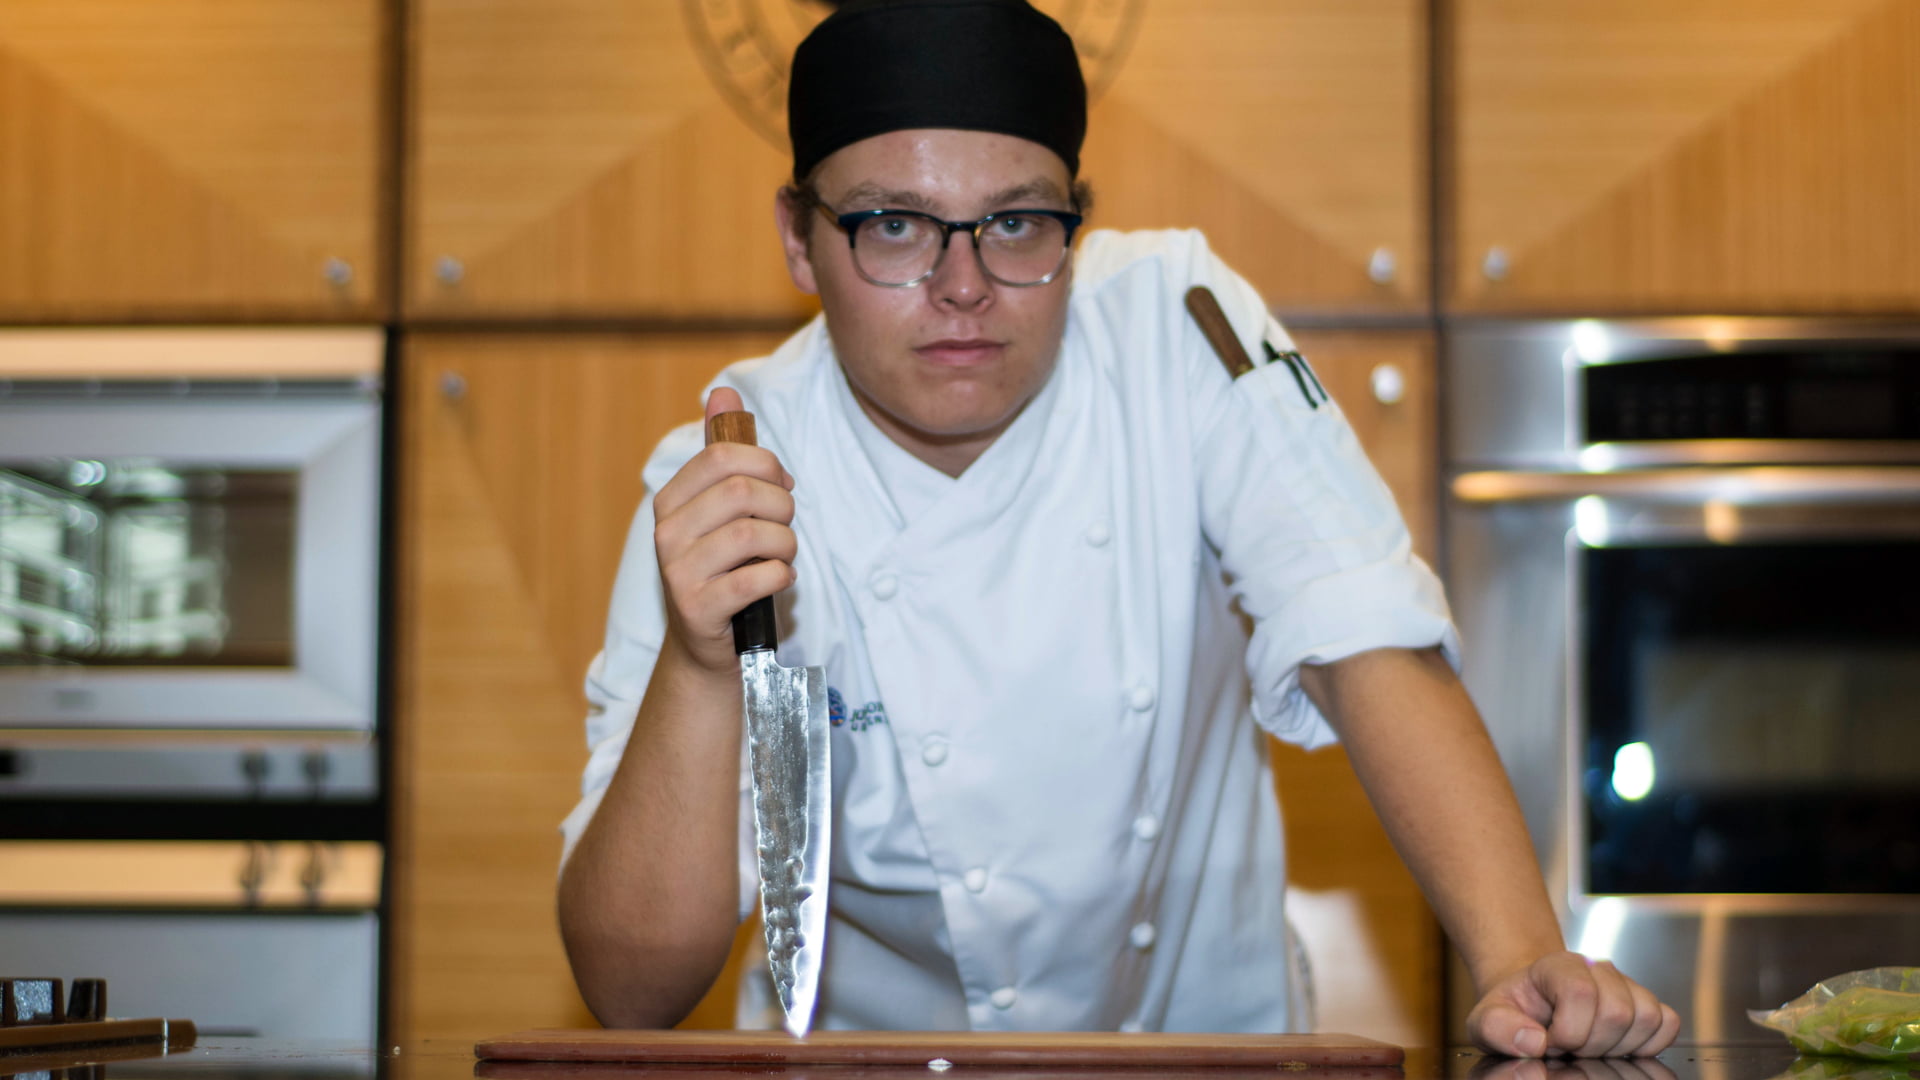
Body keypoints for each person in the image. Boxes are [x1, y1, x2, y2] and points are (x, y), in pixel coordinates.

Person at [556, 0, 1680, 1056]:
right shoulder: (734, 468)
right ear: (801, 241)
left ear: (1074, 223)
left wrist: (1524, 956)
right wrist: (705, 671)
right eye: (893, 226)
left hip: (1205, 1057)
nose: (964, 285)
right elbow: (631, 990)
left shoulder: (1179, 329)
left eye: (1015, 221)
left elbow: (1361, 637)